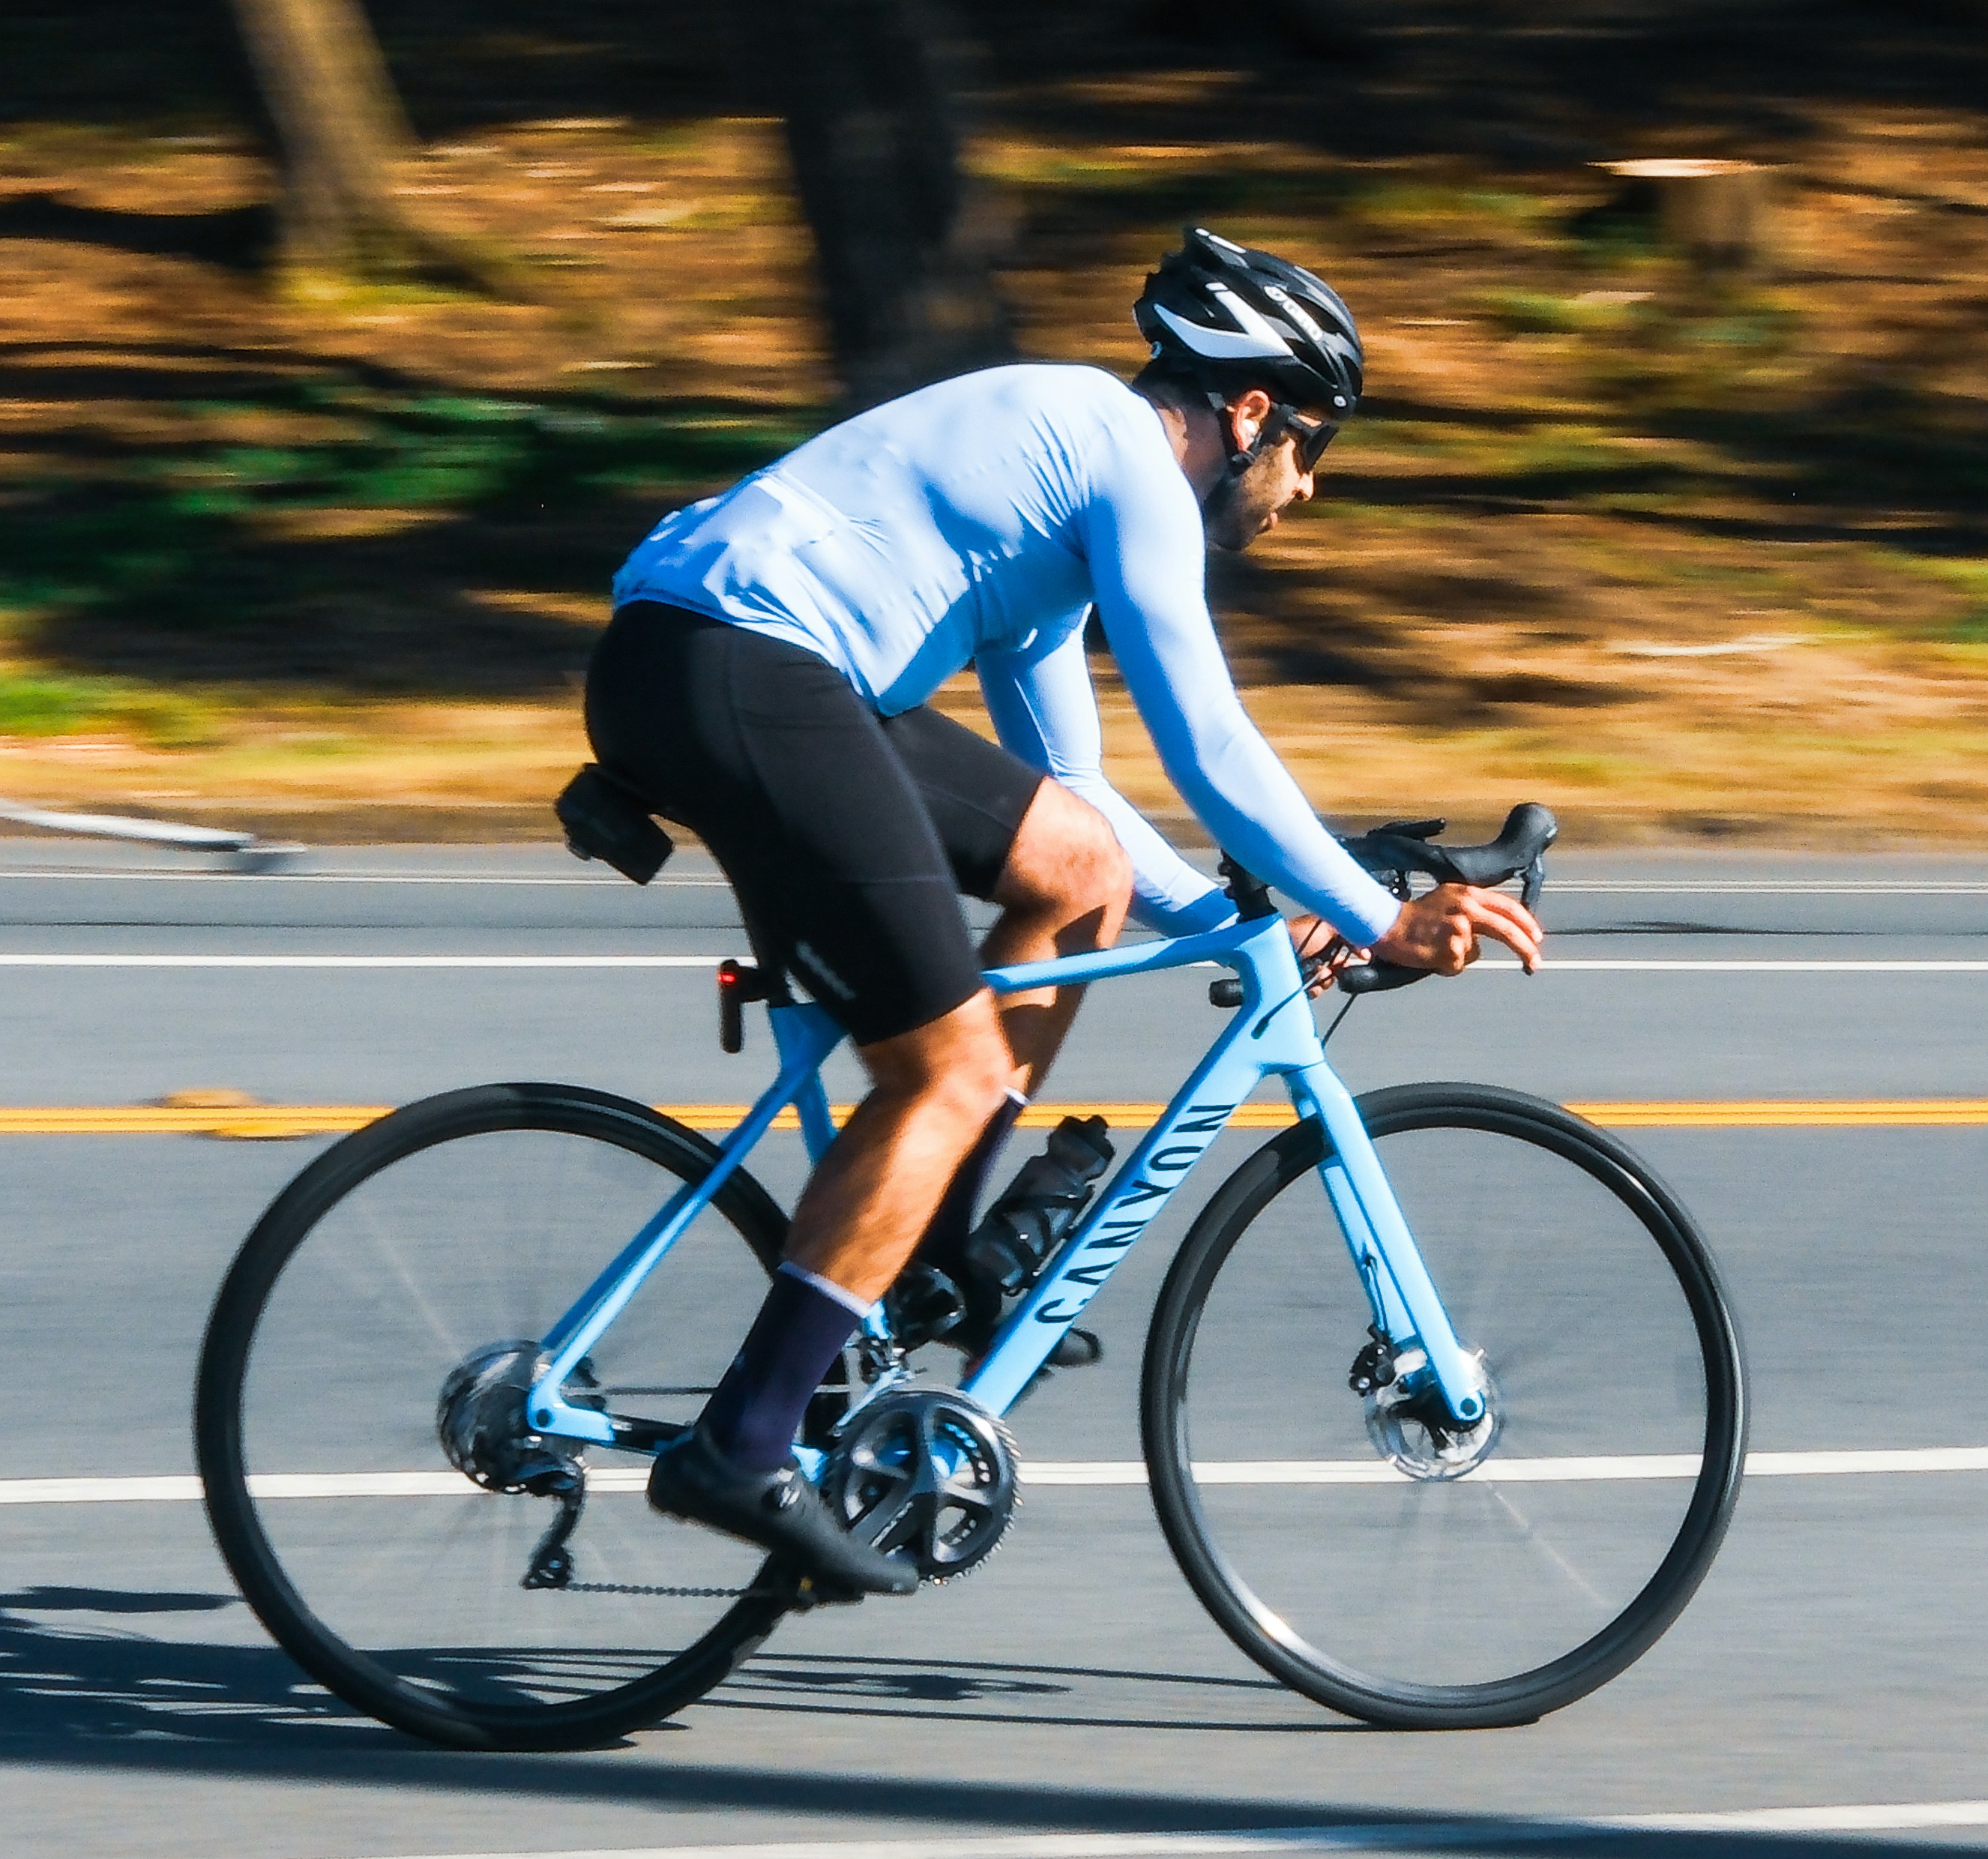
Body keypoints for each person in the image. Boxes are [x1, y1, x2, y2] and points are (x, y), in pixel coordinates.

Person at [576, 227, 1546, 1600]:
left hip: (733, 667)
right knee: (952, 1064)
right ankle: (746, 1437)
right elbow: (1206, 741)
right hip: (742, 667)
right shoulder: (1124, 461)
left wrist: (1237, 911)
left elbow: (1082, 796)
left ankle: (919, 1266)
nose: (1308, 488)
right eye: (1310, 445)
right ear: (1248, 409)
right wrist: (1371, 913)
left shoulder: (1058, 498)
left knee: (1071, 868)